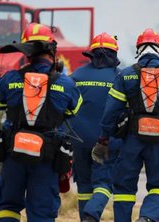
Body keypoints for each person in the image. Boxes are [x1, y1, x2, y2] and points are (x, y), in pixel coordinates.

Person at [0, 23, 82, 221]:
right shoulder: (65, 83)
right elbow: (74, 110)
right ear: (52, 50)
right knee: (42, 213)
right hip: (46, 159)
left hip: (14, 154)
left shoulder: (11, 77)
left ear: (26, 51)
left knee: (7, 207)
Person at [94, 28, 159, 222]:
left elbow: (110, 113)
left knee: (123, 188)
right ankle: (147, 217)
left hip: (131, 140)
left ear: (139, 49)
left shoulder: (126, 75)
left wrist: (104, 139)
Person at [69, 32, 122, 222]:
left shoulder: (76, 75)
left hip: (78, 139)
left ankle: (85, 218)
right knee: (104, 183)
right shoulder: (119, 77)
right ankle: (92, 213)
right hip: (107, 141)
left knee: (83, 184)